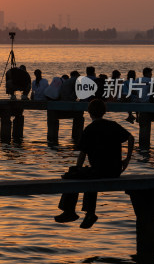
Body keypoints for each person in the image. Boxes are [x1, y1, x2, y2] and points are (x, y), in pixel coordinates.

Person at [55, 98, 134, 229]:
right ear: (104, 111)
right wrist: (127, 160)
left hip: (100, 170)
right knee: (90, 175)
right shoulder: (113, 125)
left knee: (75, 175)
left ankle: (70, 211)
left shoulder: (90, 129)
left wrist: (76, 169)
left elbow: (82, 153)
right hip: (114, 170)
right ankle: (89, 213)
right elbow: (131, 138)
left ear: (89, 112)